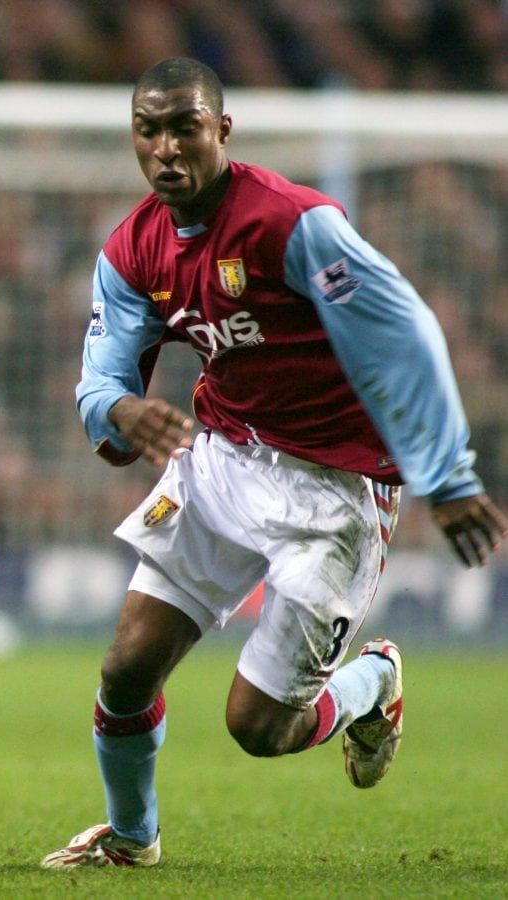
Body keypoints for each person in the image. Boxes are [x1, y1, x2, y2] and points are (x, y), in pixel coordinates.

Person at [41, 57, 507, 869]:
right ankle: (130, 836)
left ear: (222, 130)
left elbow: (405, 336)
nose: (165, 149)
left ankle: (373, 683)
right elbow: (101, 382)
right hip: (219, 460)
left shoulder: (293, 224)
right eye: (147, 130)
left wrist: (449, 475)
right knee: (125, 670)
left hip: (334, 489)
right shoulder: (131, 250)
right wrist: (121, 411)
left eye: (184, 126)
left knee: (259, 729)